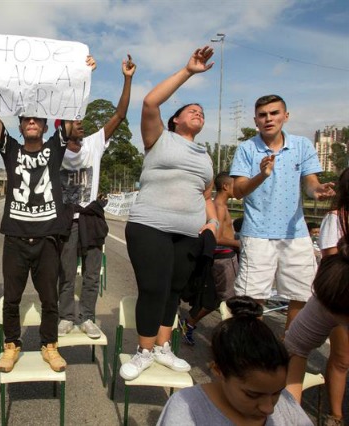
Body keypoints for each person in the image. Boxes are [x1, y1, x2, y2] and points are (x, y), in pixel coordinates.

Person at [0, 54, 95, 373]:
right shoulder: (11, 149)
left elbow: (69, 116)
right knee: (11, 299)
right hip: (15, 242)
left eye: (37, 118)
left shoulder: (55, 149)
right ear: (22, 125)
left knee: (49, 299)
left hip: (47, 240)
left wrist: (81, 76)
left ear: (43, 124)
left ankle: (49, 345)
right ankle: (11, 344)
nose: (32, 121)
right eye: (26, 119)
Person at [120, 46, 218, 381]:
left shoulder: (206, 156)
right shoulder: (159, 138)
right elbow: (150, 102)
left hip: (189, 233)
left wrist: (214, 222)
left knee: (174, 292)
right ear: (175, 119)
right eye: (192, 110)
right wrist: (188, 71)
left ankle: (163, 347)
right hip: (150, 226)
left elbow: (207, 196)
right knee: (153, 289)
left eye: (202, 112)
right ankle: (143, 351)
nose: (198, 113)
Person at [230, 94, 335, 332]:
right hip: (257, 233)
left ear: (285, 116)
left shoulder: (302, 145)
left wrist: (316, 190)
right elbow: (238, 190)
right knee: (251, 299)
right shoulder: (246, 149)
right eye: (263, 115)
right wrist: (262, 175)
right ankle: (252, 352)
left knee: (301, 295)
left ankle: (290, 349)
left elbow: (310, 181)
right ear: (256, 120)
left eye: (274, 113)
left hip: (295, 234)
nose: (269, 119)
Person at [58, 54, 136, 339]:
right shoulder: (54, 149)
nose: (80, 122)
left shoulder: (94, 143)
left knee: (91, 274)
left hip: (91, 218)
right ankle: (66, 316)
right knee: (66, 274)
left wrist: (127, 79)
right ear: (63, 125)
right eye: (74, 119)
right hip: (66, 221)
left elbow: (119, 115)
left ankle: (87, 317)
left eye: (81, 119)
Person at [157, 297, 313, 425]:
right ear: (219, 371)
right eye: (252, 395)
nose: (268, 408)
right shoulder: (186, 409)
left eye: (277, 393)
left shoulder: (286, 406)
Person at [285, 167, 348, 426]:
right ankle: (323, 415)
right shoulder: (336, 219)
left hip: (333, 293)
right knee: (340, 358)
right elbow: (295, 346)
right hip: (334, 293)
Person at [180, 171, 240, 345]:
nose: (239, 188)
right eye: (235, 184)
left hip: (222, 259)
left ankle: (189, 324)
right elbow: (218, 237)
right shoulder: (219, 207)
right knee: (230, 301)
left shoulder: (219, 205)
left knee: (212, 299)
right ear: (226, 186)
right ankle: (230, 339)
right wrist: (238, 243)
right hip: (224, 259)